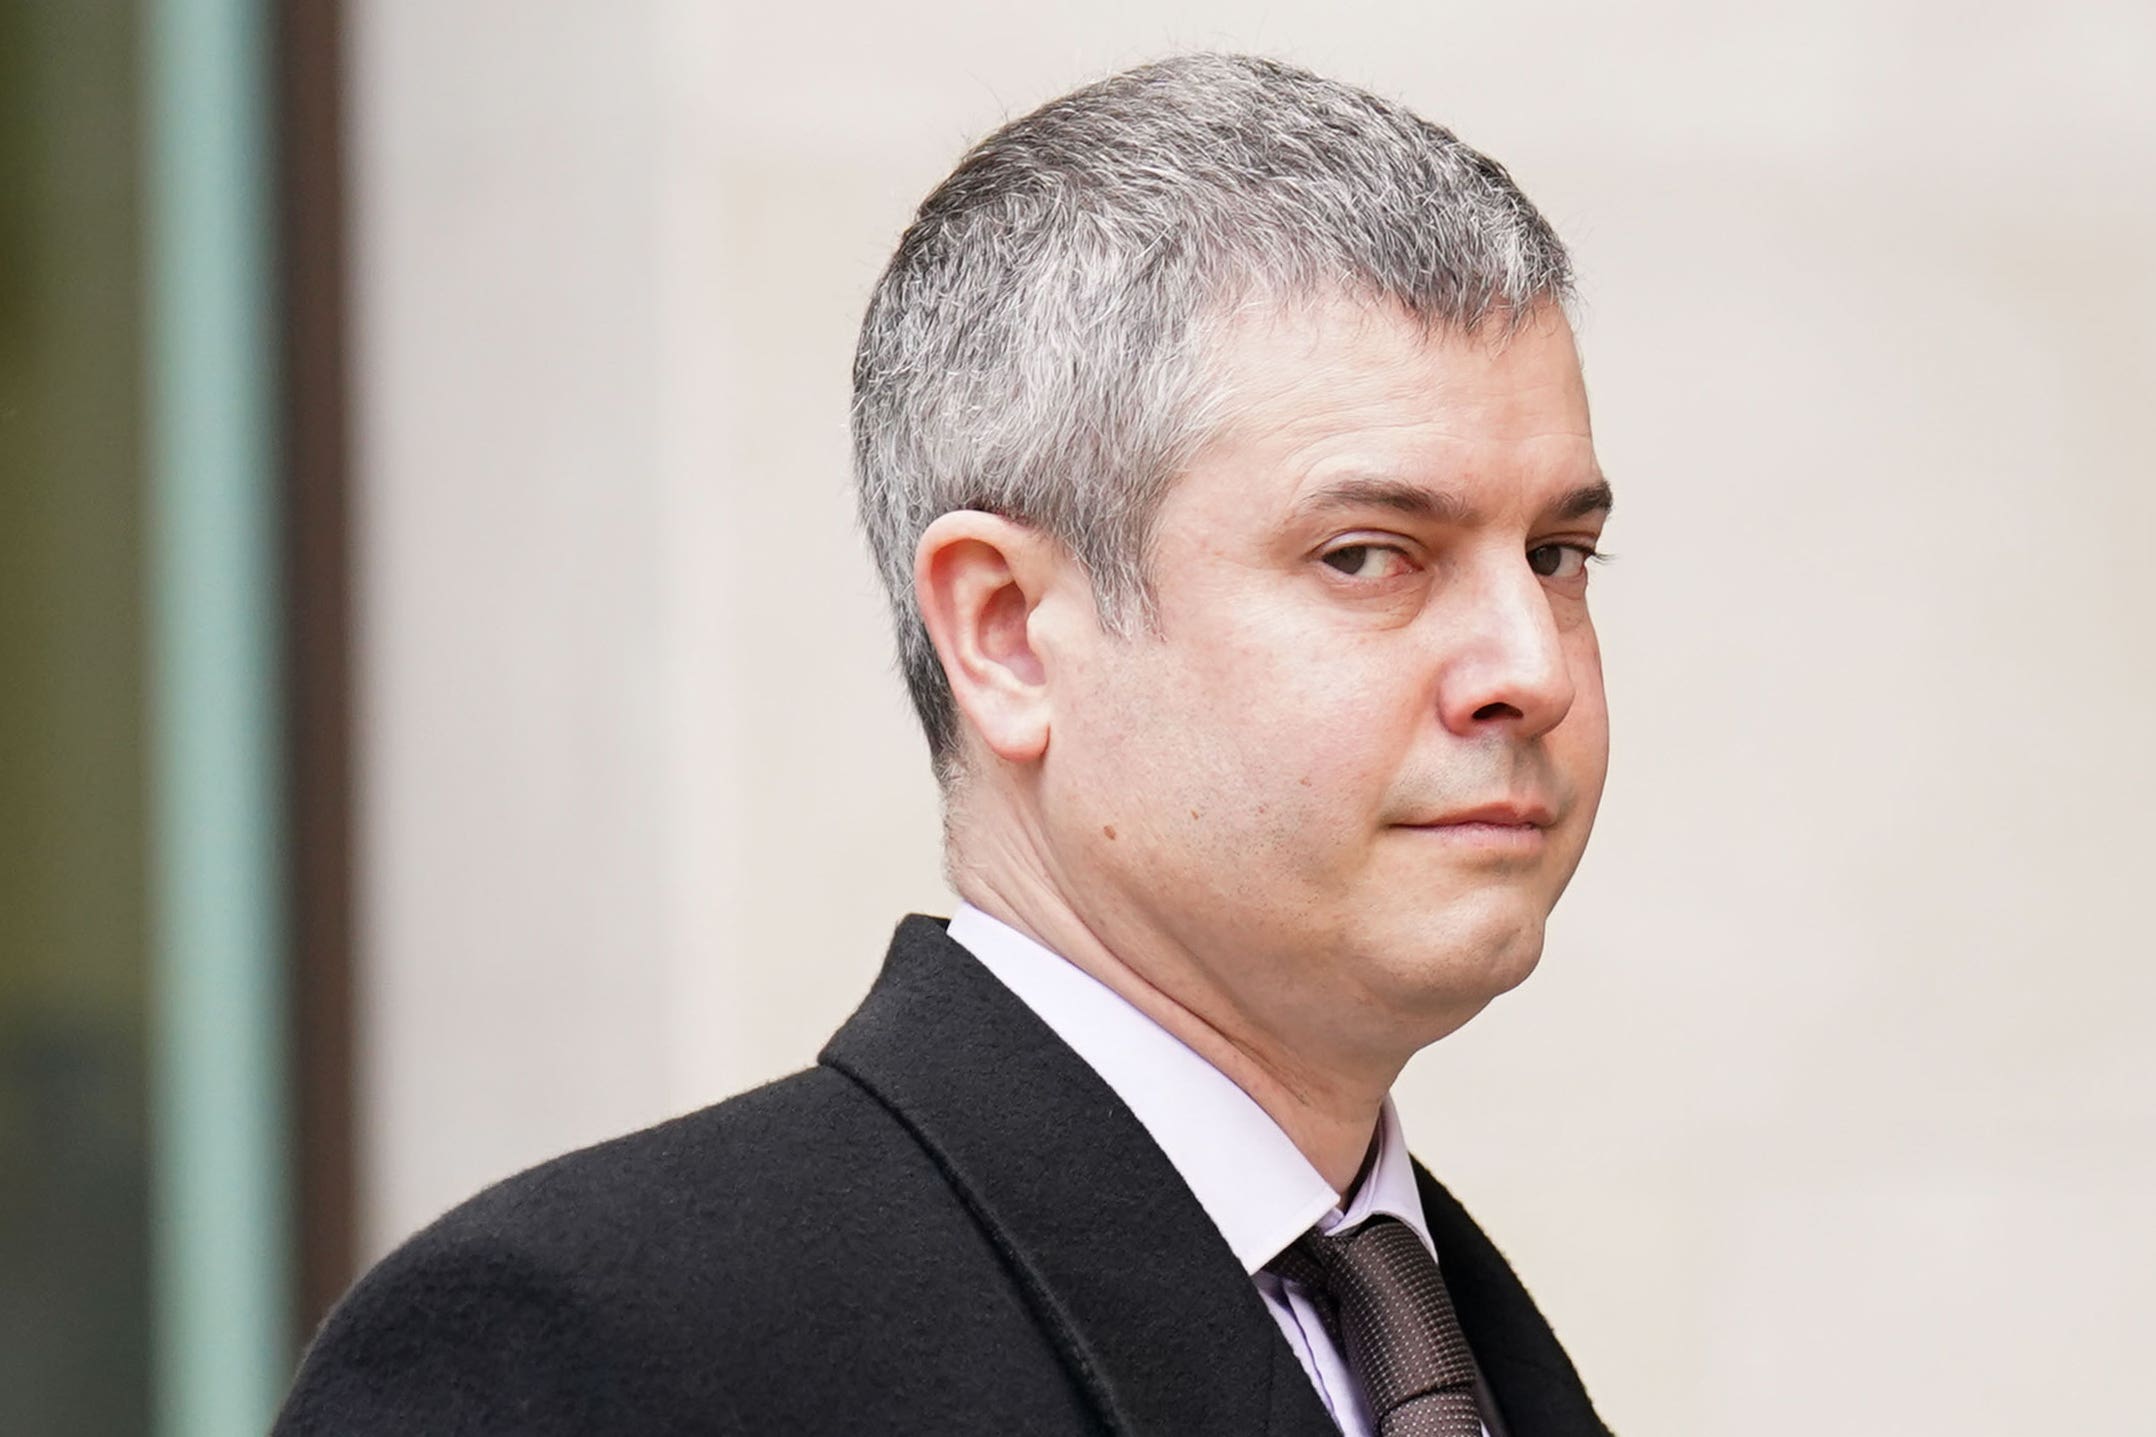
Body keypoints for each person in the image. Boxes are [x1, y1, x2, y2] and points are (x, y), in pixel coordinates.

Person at [277, 52, 1616, 1436]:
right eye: (1369, 555)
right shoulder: (583, 1355)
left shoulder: (1448, 1344)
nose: (1529, 667)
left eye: (1558, 553)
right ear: (1008, 634)